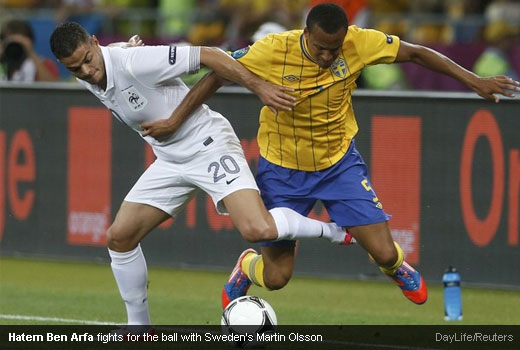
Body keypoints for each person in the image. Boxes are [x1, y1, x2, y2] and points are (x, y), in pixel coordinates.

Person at [141, 3, 519, 310]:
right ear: (305, 33)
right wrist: (175, 119)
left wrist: (474, 80)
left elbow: (417, 54)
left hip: (339, 165)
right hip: (282, 171)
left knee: (386, 254)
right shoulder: (274, 49)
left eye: (333, 50)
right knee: (275, 279)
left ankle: (395, 267)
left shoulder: (360, 42)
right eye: (319, 47)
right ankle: (246, 266)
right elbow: (216, 75)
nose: (326, 56)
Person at [49, 21, 354, 327]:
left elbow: (210, 55)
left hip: (208, 145)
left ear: (94, 41)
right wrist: (124, 49)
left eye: (88, 60)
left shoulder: (132, 62)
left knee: (257, 229)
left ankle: (335, 231)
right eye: (75, 69)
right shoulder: (105, 62)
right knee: (119, 238)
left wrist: (259, 86)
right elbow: (111, 59)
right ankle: (139, 328)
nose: (87, 72)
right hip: (170, 159)